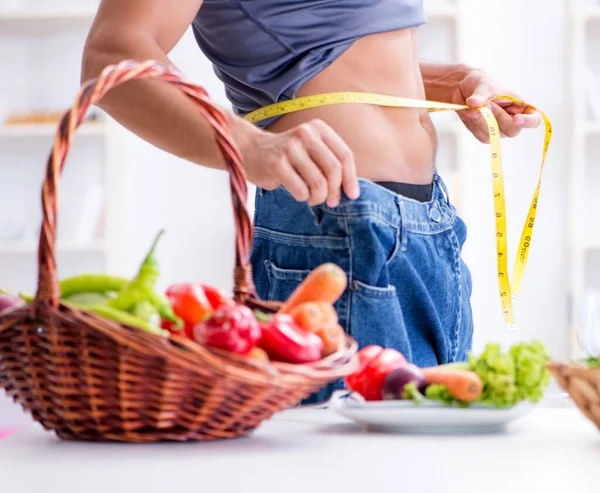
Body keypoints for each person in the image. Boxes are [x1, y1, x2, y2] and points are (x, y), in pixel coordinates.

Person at [81, 0, 541, 403]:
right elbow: (113, 56)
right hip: (333, 230)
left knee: (437, 465)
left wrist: (450, 82)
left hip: (427, 225)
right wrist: (251, 148)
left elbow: (331, 49)